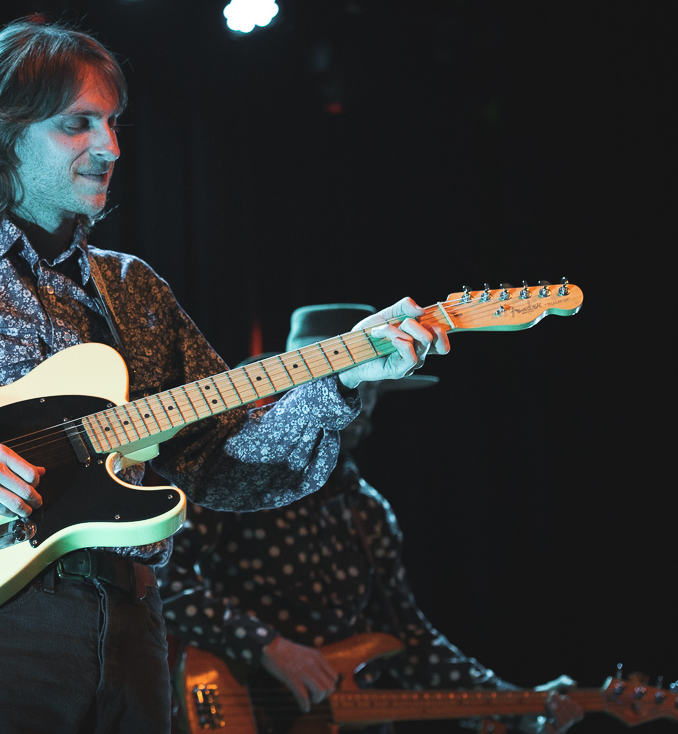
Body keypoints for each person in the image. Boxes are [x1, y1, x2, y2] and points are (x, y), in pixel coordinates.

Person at [0, 20, 451, 734]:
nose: (109, 146)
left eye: (112, 122)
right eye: (78, 124)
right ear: (4, 133)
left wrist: (343, 376)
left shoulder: (136, 290)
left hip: (135, 627)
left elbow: (229, 465)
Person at [158, 304, 582, 734]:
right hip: (242, 702)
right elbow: (160, 575)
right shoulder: (241, 475)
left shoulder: (367, 510)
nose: (365, 396)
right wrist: (268, 647)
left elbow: (409, 638)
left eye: (375, 382)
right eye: (354, 376)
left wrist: (514, 700)